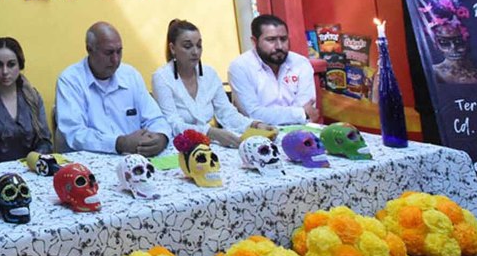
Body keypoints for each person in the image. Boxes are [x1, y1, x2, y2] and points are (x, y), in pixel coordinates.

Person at [151, 19, 274, 148]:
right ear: (172, 48)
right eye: (188, 46)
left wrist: (255, 125)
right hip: (180, 147)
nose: (195, 52)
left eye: (199, 45)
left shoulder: (209, 74)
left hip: (210, 144)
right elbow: (172, 123)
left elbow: (227, 113)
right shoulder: (161, 78)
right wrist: (210, 132)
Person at [54, 22, 170, 156]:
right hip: (88, 162)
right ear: (89, 49)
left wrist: (161, 137)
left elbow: (155, 118)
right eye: (108, 53)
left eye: (119, 51)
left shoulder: (130, 75)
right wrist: (119, 143)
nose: (115, 59)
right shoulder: (70, 80)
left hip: (134, 159)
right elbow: (74, 133)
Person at [0, 37, 53, 165]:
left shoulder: (33, 96)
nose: (5, 71)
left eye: (11, 64)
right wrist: (4, 173)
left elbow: (45, 142)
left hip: (32, 169)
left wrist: (32, 164)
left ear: (20, 65)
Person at [228, 14, 322, 125]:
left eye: (283, 39)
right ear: (254, 41)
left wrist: (301, 114)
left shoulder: (300, 63)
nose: (279, 46)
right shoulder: (240, 67)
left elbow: (308, 110)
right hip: (259, 132)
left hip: (299, 130)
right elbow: (252, 114)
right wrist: (299, 114)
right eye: (271, 40)